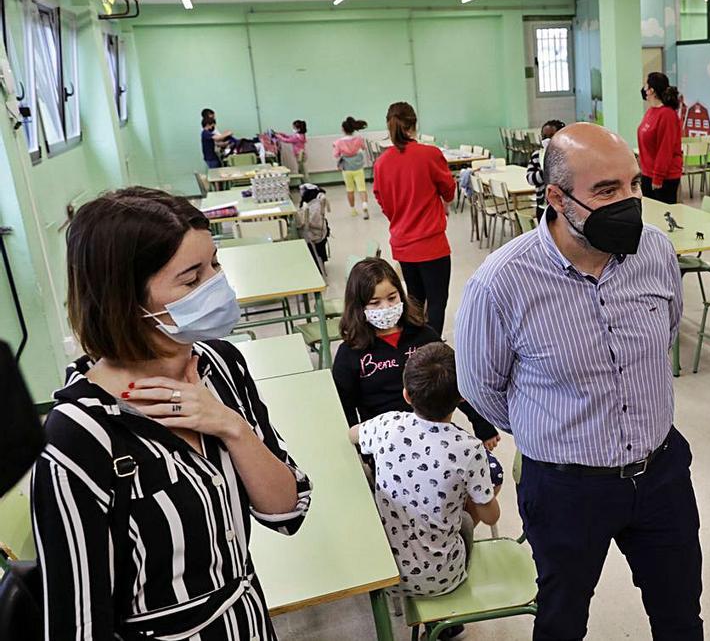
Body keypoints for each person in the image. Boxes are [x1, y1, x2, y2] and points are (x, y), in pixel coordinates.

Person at [456, 122, 702, 640]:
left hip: (660, 473)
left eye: (634, 185)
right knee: (562, 620)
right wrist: (557, 424)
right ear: (557, 198)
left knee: (680, 615)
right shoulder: (501, 284)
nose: (630, 202)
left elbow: (665, 333)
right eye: (607, 191)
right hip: (566, 487)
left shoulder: (655, 253)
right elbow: (482, 389)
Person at [32, 188, 311, 640]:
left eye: (215, 264)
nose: (217, 285)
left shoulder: (220, 365)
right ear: (125, 298)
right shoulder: (78, 437)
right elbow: (78, 623)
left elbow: (286, 511)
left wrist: (230, 425)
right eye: (191, 278)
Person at [349, 343, 501, 597]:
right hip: (443, 577)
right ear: (463, 396)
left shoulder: (388, 424)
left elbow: (352, 434)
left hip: (385, 574)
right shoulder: (469, 449)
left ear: (407, 395)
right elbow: (491, 517)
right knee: (463, 520)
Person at [332, 257, 501, 451]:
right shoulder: (350, 353)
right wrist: (360, 453)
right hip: (384, 443)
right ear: (359, 307)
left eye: (392, 297)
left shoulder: (424, 335)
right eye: (375, 303)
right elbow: (344, 407)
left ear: (401, 294)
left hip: (435, 435)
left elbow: (455, 380)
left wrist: (482, 423)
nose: (385, 308)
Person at [373, 102, 457, 335]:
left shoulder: (381, 163)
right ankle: (430, 350)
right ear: (414, 124)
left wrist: (400, 216)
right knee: (437, 300)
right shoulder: (430, 154)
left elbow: (382, 200)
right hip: (432, 244)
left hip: (402, 244)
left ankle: (416, 347)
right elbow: (449, 189)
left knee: (415, 298)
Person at [637, 72, 683, 204]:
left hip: (664, 178)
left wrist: (658, 177)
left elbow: (665, 149)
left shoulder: (667, 115)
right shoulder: (651, 111)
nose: (644, 89)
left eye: (646, 85)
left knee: (663, 217)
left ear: (652, 90)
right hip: (647, 174)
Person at [526, 119, 566, 220]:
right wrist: (547, 171)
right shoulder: (537, 155)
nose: (547, 140)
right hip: (542, 206)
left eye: (551, 136)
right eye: (544, 137)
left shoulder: (567, 156)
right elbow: (530, 178)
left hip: (562, 206)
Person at [335, 116, 370, 219]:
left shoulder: (339, 142)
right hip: (358, 167)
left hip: (347, 168)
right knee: (362, 188)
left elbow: (336, 155)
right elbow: (363, 148)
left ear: (343, 129)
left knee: (350, 189)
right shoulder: (359, 139)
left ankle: (353, 210)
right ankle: (364, 205)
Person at [296, 183, 330, 276]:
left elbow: (301, 223)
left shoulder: (310, 207)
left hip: (313, 235)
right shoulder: (317, 203)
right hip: (322, 232)